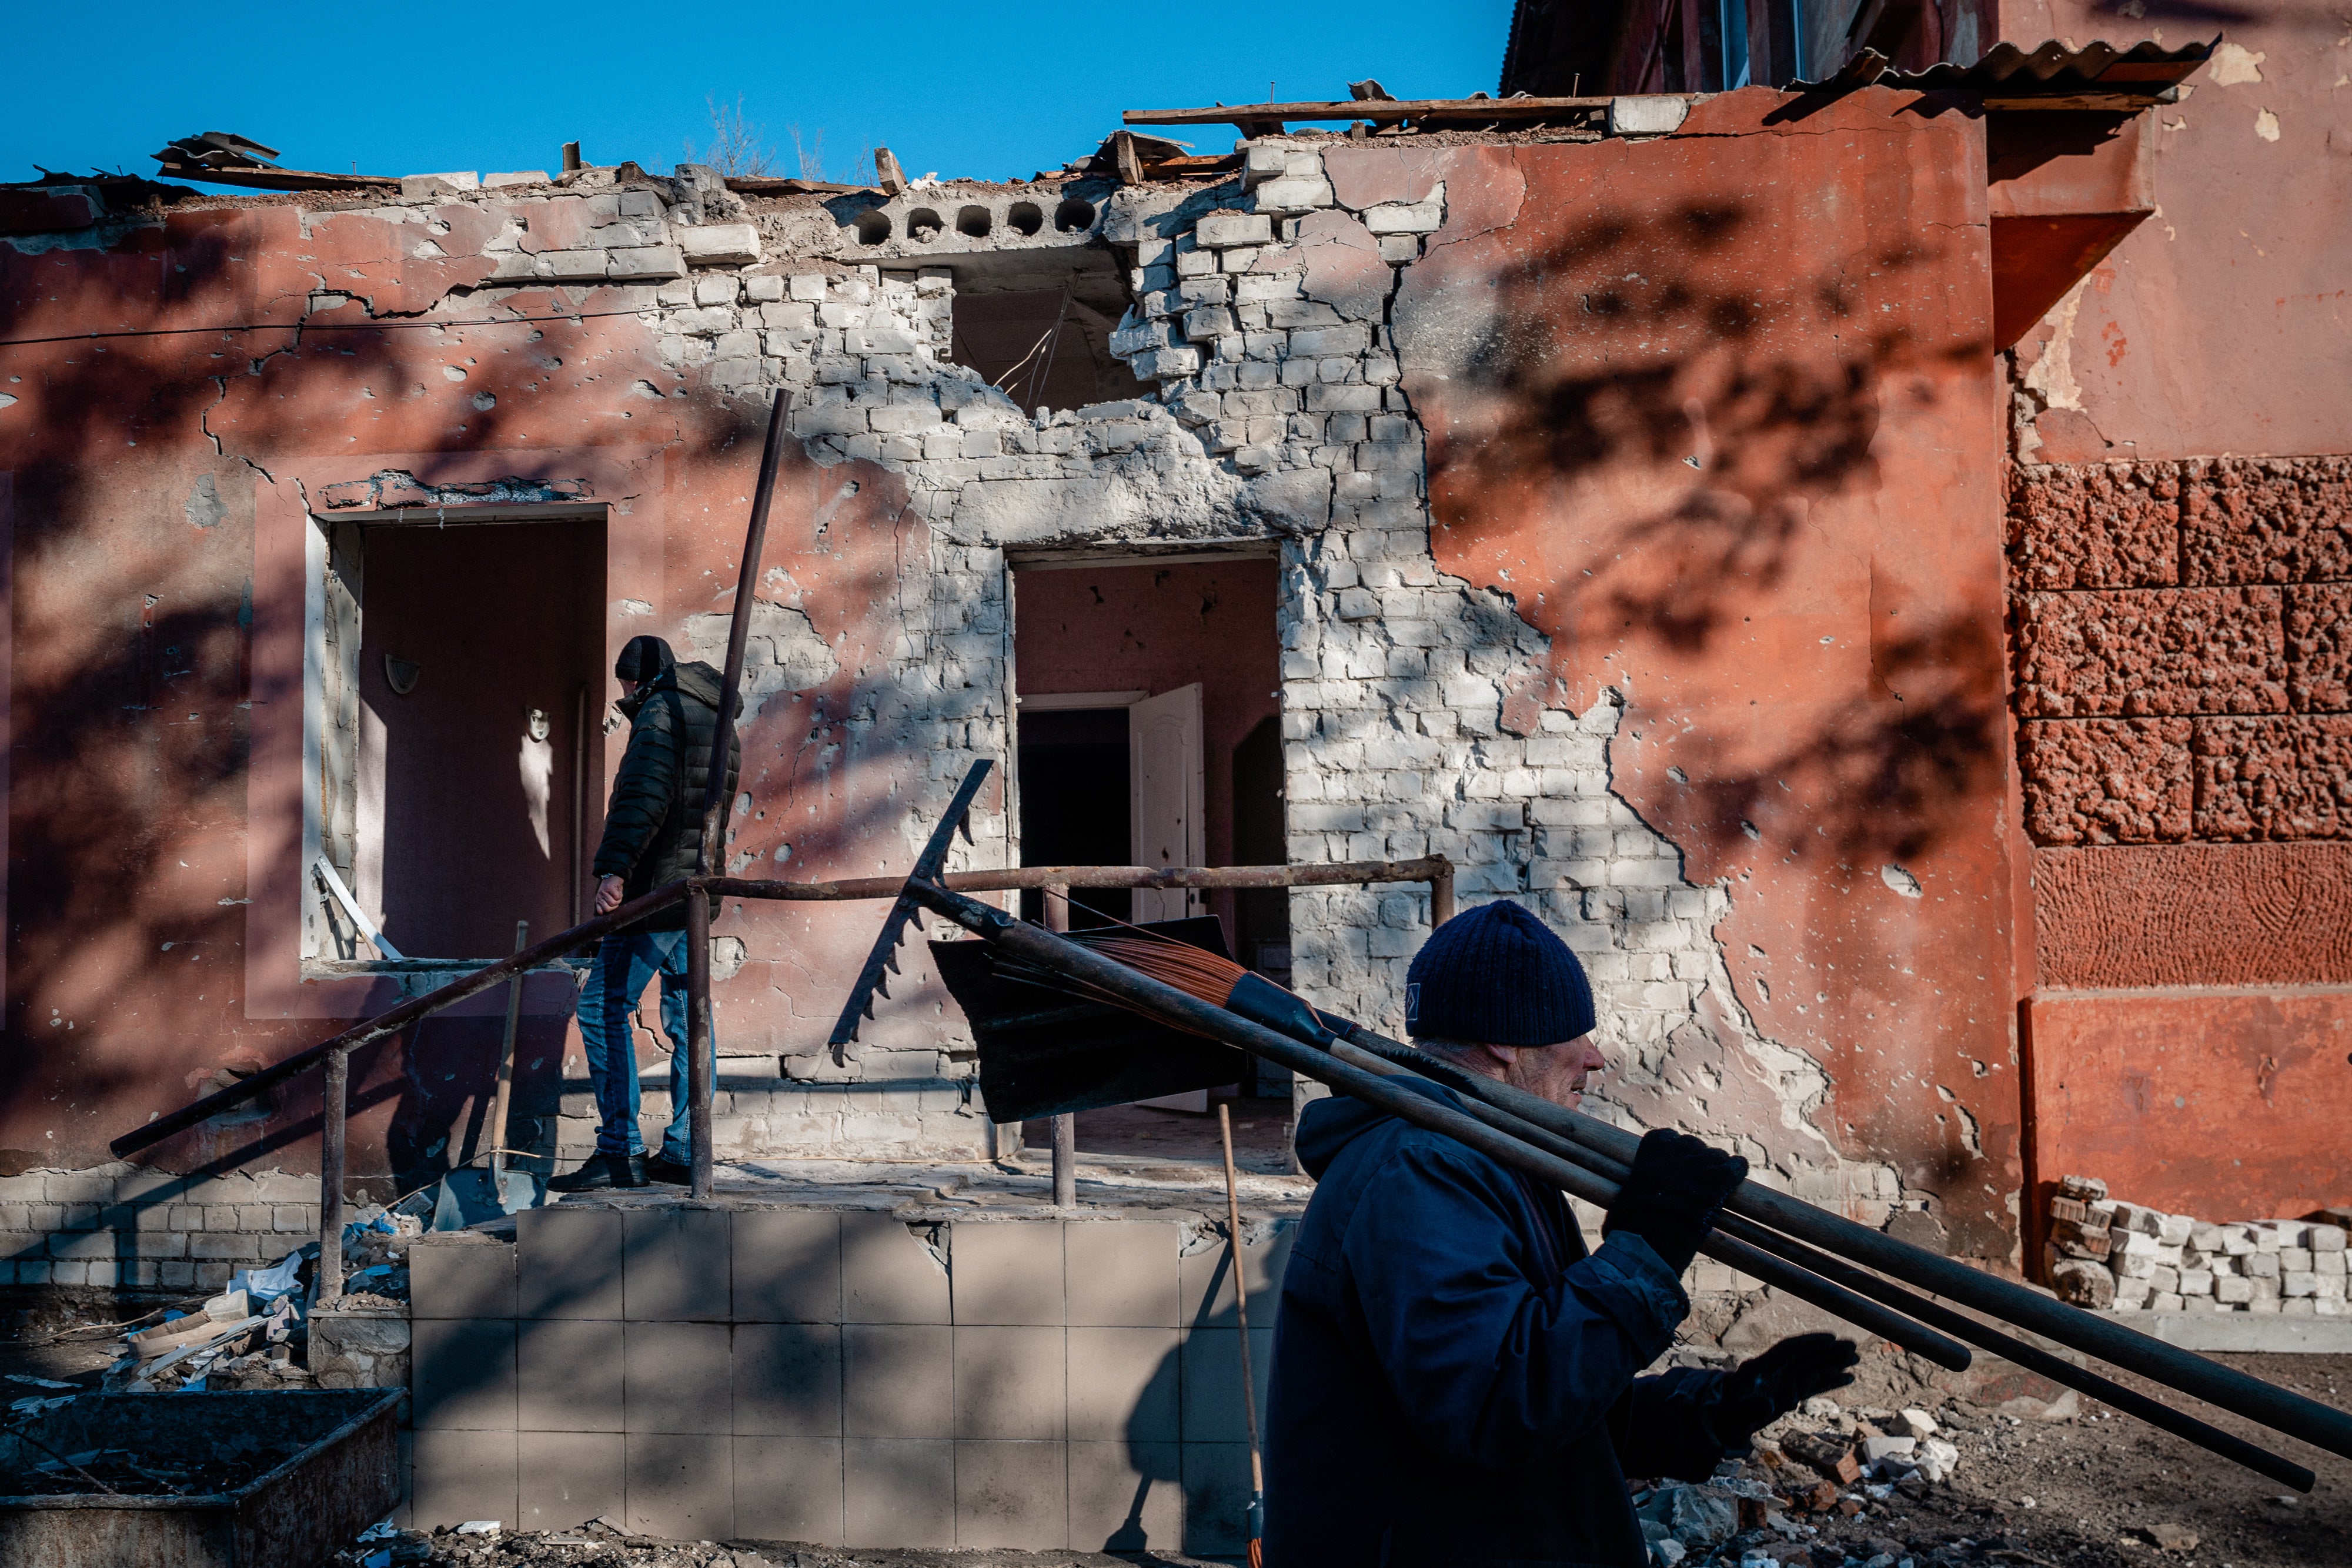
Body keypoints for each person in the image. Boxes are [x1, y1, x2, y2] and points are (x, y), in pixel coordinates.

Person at [1262, 899, 1860, 1567]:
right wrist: (1645, 1250)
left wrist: (1711, 1413)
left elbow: (1546, 1402)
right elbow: (1494, 1406)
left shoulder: (1489, 1155)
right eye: (1572, 1033)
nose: (1594, 1057)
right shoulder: (1424, 1171)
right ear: (1505, 1042)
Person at [549, 634, 741, 1192]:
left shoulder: (660, 712)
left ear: (636, 679)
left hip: (655, 892)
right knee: (688, 1014)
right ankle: (686, 1147)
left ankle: (619, 1151)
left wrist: (614, 871)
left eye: (624, 685)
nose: (624, 694)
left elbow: (644, 796)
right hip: (696, 893)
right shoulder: (719, 714)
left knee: (601, 1006)